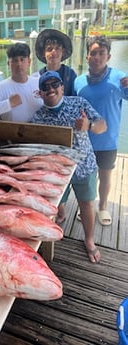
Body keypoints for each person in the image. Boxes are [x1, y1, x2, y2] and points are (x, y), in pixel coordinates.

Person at [30, 70, 107, 263]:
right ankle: (61, 216)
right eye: (45, 87)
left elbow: (102, 125)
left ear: (62, 87)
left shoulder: (78, 103)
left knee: (87, 204)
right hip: (56, 172)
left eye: (55, 84)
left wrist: (88, 125)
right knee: (56, 206)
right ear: (40, 93)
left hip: (84, 166)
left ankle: (89, 240)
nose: (51, 89)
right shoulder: (37, 117)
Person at [74, 35, 128, 226]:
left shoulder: (120, 79)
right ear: (87, 57)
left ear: (108, 56)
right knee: (86, 176)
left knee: (105, 175)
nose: (97, 57)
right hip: (83, 141)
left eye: (101, 53)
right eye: (93, 53)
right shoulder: (79, 82)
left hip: (108, 140)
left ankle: (103, 206)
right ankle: (86, 205)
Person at [0, 42, 43, 122]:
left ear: (29, 62)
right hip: (12, 133)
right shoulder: (2, 87)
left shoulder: (38, 83)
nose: (19, 64)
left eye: (22, 59)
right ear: (8, 64)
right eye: (15, 61)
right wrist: (9, 103)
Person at [35, 28, 77, 96]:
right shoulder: (38, 76)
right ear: (43, 53)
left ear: (63, 51)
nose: (54, 52)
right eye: (49, 49)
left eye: (57, 48)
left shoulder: (70, 74)